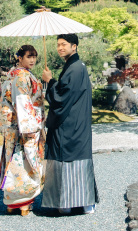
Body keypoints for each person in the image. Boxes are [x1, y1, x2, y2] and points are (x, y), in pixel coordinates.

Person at [40, 33, 99, 214]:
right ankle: (84, 202)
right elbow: (65, 93)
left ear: (75, 46)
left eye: (64, 44)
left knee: (66, 159)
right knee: (79, 161)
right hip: (76, 123)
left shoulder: (75, 68)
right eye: (58, 44)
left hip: (69, 124)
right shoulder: (74, 66)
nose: (60, 48)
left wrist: (49, 81)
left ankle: (65, 203)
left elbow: (61, 98)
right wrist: (53, 82)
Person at [0, 45, 46, 216]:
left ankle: (11, 203)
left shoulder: (14, 74)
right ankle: (23, 203)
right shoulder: (22, 76)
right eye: (29, 56)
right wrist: (31, 127)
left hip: (14, 125)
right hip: (23, 126)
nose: (32, 60)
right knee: (23, 161)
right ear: (20, 58)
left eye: (34, 56)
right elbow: (23, 102)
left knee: (12, 160)